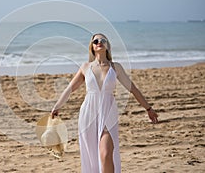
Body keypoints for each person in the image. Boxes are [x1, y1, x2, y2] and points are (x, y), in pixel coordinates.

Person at [51, 33, 159, 173]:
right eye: (96, 41)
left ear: (107, 45)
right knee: (92, 157)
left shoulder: (116, 67)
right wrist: (57, 106)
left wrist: (148, 109)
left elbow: (133, 89)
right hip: (88, 114)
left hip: (108, 112)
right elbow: (70, 89)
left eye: (103, 40)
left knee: (106, 153)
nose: (99, 42)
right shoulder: (85, 67)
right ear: (92, 46)